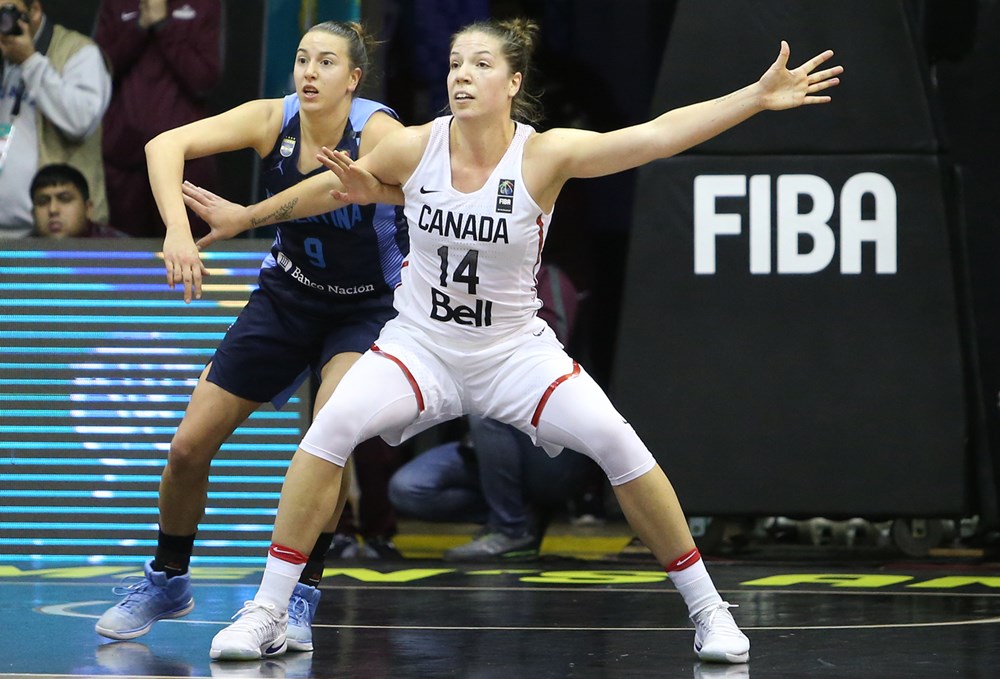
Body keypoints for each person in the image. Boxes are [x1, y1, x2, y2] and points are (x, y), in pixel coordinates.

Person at [203, 18, 842, 663]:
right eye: (455, 63)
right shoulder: (416, 145)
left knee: (620, 445)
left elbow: (653, 137)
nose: (462, 75)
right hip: (420, 346)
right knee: (326, 431)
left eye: (480, 64)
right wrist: (248, 217)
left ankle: (709, 610)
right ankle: (269, 610)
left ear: (512, 83)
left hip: (513, 353)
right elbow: (333, 184)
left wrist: (754, 98)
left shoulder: (544, 154)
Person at [93, 21, 409, 657]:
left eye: (326, 62)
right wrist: (176, 232)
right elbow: (163, 145)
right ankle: (167, 578)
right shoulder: (273, 120)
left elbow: (417, 185)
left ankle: (299, 595)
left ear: (353, 78)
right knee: (187, 446)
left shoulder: (380, 132)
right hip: (287, 296)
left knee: (328, 437)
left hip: (367, 307)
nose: (309, 72)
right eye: (301, 59)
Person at [389, 264, 591, 561]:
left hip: (547, 446)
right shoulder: (463, 284)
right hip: (484, 446)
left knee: (490, 408)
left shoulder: (549, 280)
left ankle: (510, 529)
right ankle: (519, 514)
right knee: (407, 488)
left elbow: (547, 351)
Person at [93, 0, 223, 237]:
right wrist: (140, 27)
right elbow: (98, 71)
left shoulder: (204, 4)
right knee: (124, 259)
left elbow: (204, 80)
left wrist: (164, 25)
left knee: (189, 251)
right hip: (125, 159)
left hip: (185, 162)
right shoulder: (116, 4)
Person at [0, 0, 112, 238]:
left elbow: (80, 121)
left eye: (7, 12)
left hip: (61, 234)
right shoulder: (5, 53)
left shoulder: (79, 52)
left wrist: (30, 60)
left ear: (35, 11)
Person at [30, 162, 127, 238]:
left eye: (65, 199)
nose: (53, 210)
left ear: (88, 209)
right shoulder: (20, 255)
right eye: (42, 202)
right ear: (33, 213)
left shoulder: (122, 250)